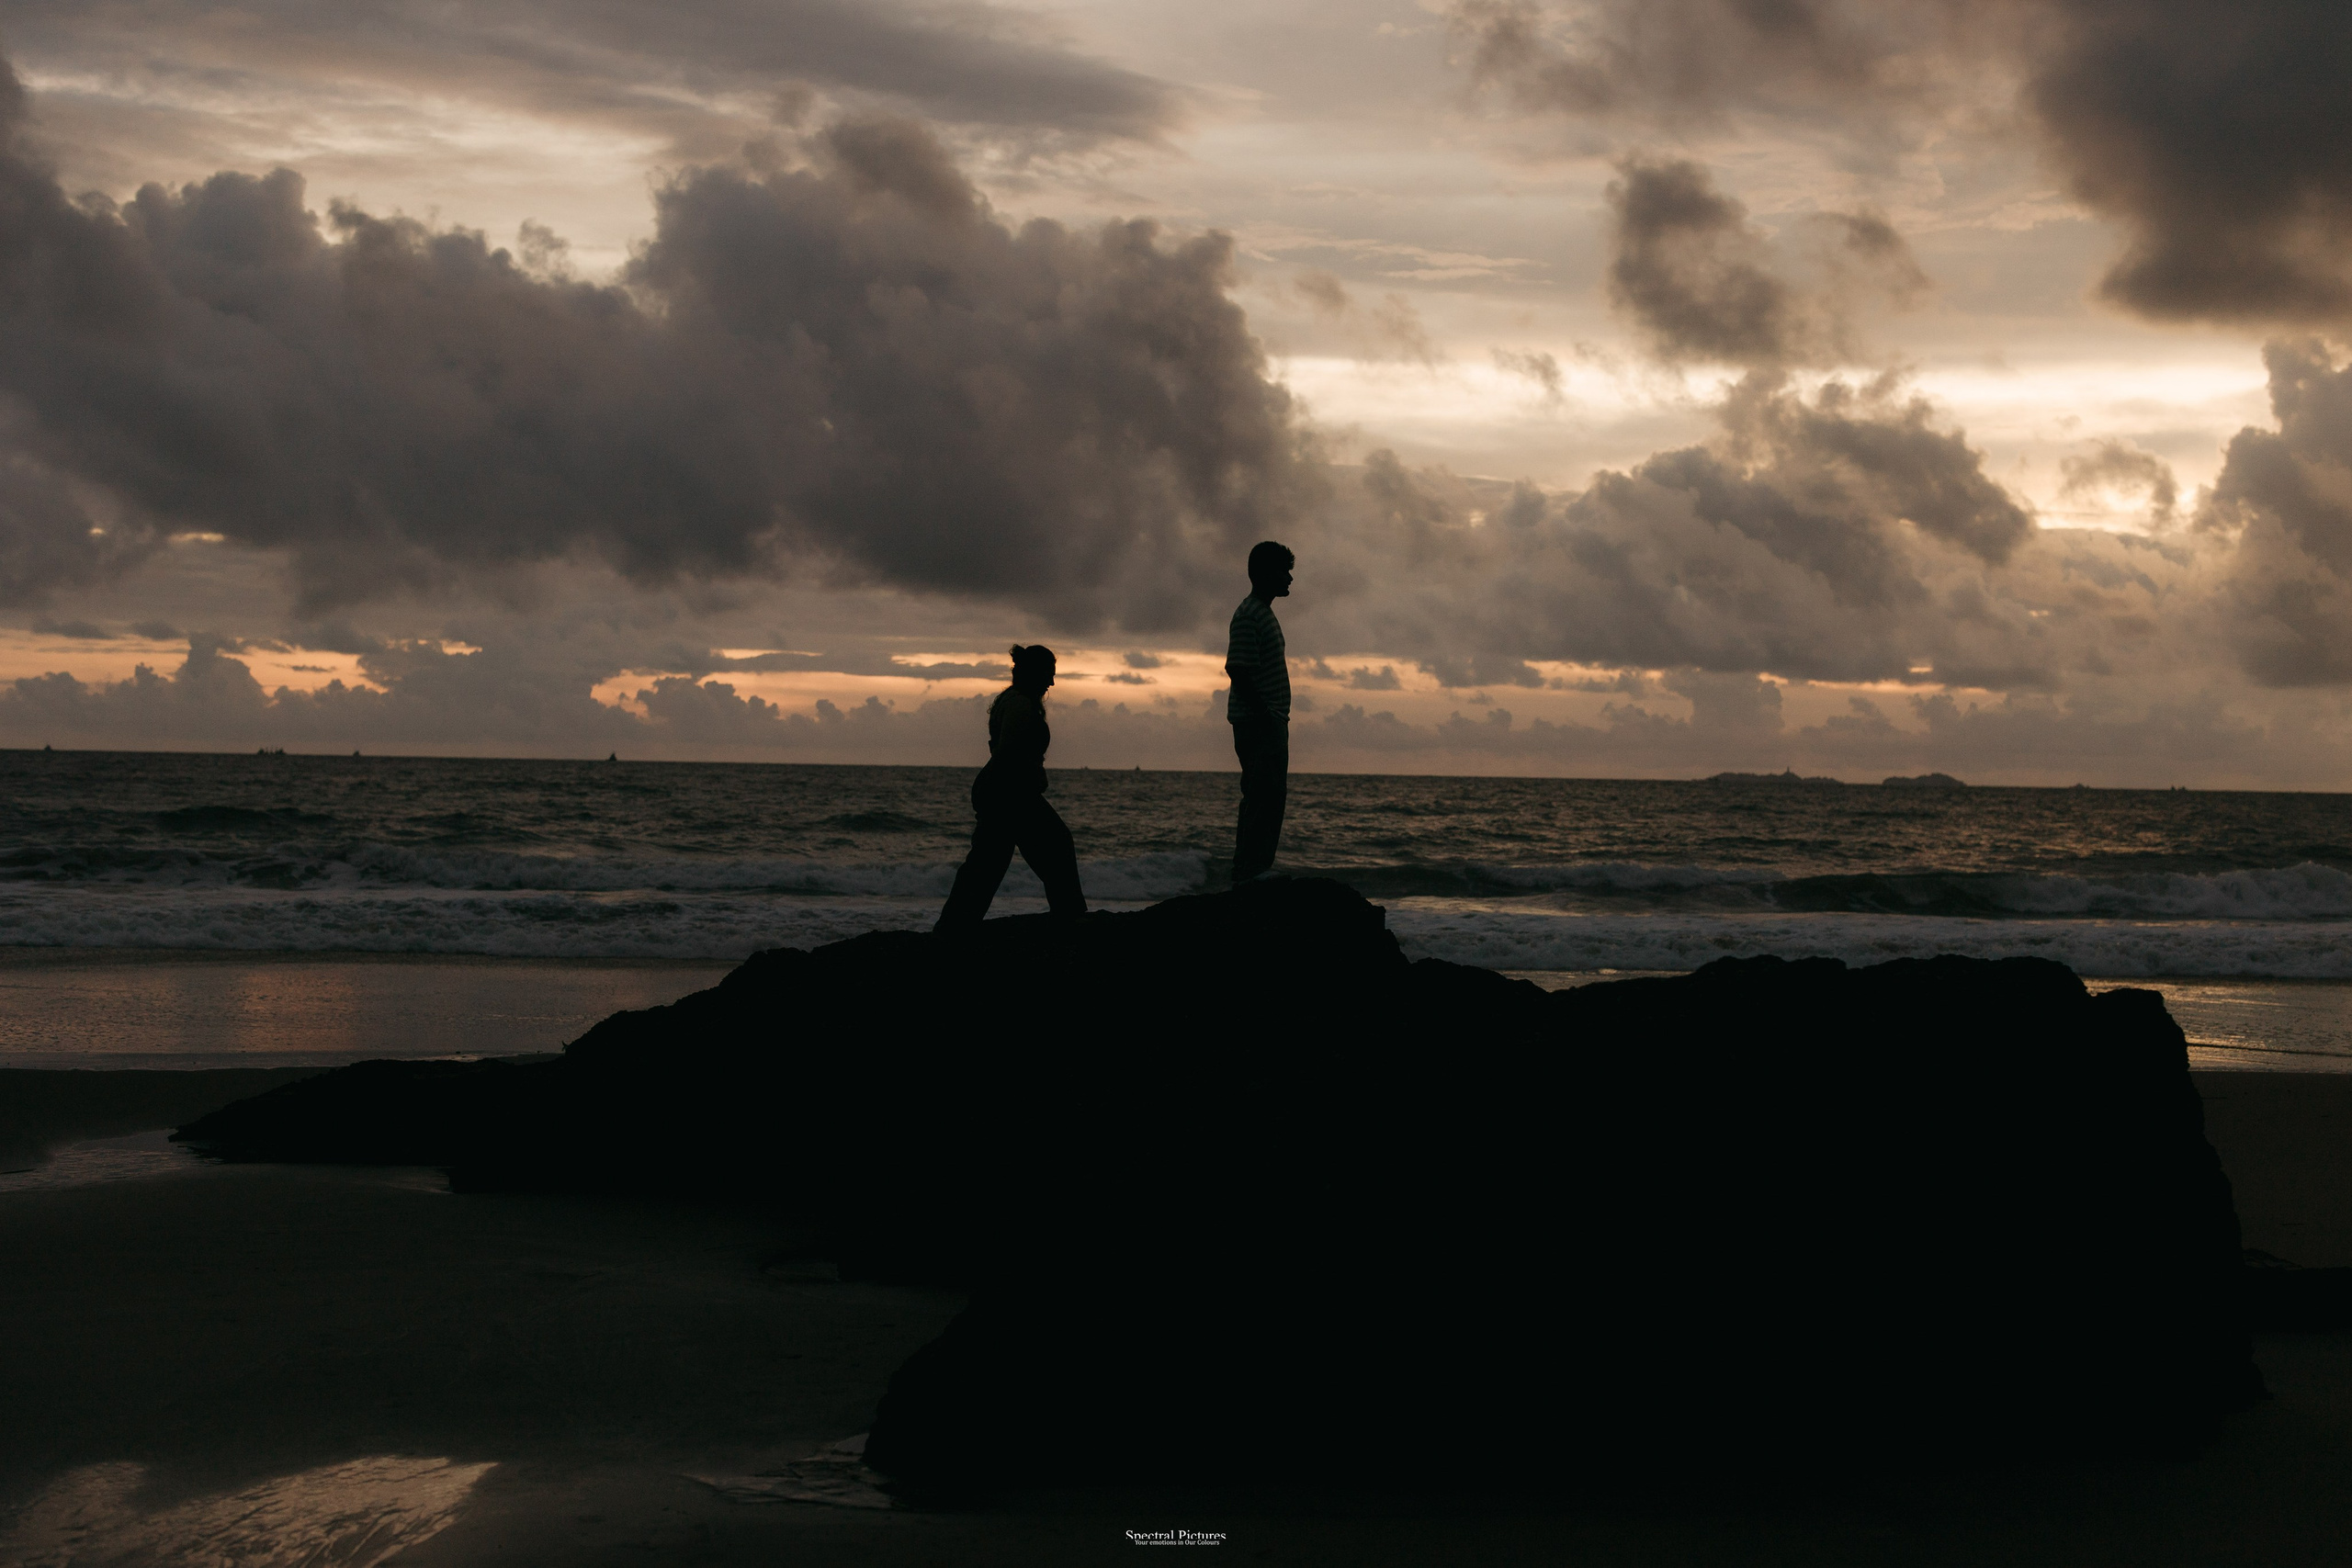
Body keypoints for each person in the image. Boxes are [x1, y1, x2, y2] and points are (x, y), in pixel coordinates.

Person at [935, 644, 1089, 930]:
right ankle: (1070, 915)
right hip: (1010, 793)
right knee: (1054, 845)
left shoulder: (1014, 701)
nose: (1051, 683)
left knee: (988, 863)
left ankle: (953, 927)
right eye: (1048, 675)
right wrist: (1030, 779)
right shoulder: (1019, 704)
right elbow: (1008, 753)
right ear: (1034, 673)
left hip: (1003, 791)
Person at [1226, 541, 1294, 885]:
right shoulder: (1249, 614)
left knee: (1269, 795)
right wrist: (1265, 713)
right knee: (1262, 795)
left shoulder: (1262, 613)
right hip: (1259, 723)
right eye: (1284, 571)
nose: (1290, 578)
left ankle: (1255, 868)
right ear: (1266, 573)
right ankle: (1249, 871)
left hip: (1268, 720)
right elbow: (1237, 668)